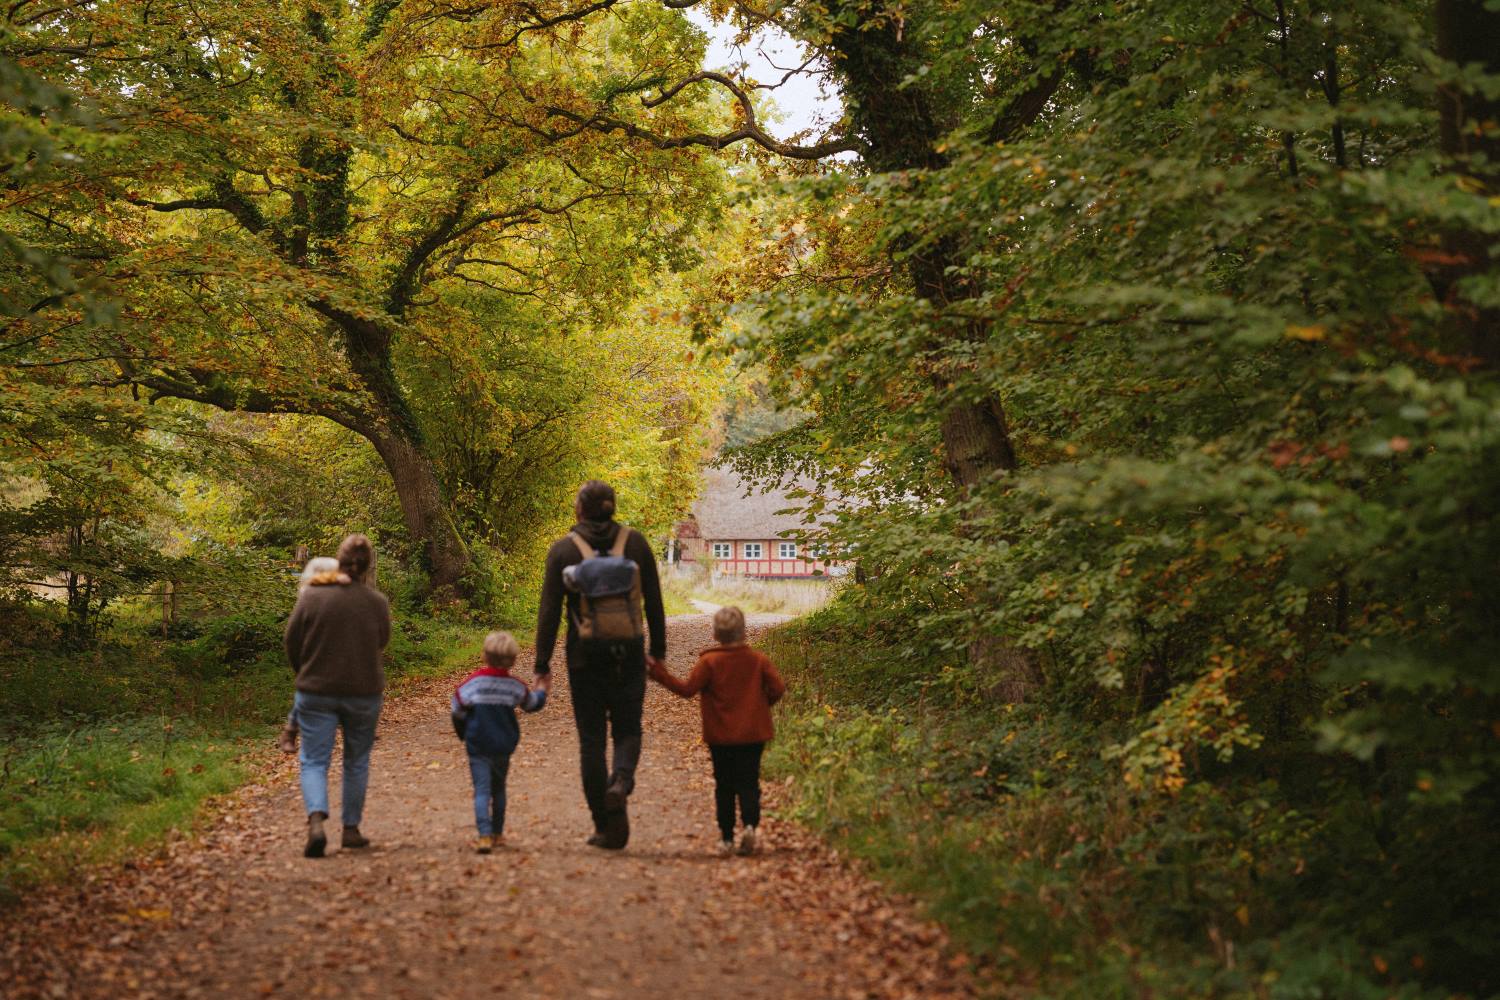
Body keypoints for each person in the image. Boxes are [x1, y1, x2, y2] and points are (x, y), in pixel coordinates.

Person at [535, 480, 667, 849]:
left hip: (584, 656)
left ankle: (604, 825)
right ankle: (621, 780)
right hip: (629, 652)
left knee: (591, 741)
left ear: (579, 509)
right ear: (612, 507)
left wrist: (542, 663)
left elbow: (549, 611)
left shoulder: (564, 550)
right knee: (628, 729)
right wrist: (658, 651)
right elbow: (654, 601)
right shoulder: (635, 543)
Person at [282, 534, 390, 858]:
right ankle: (351, 830)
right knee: (356, 761)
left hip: (317, 691)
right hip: (364, 692)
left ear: (339, 561)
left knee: (314, 760)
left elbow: (291, 640)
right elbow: (382, 641)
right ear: (367, 567)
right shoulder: (376, 602)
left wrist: (304, 671)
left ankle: (316, 821)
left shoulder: (312, 597)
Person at [647, 605, 786, 856]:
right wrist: (759, 707)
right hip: (753, 734)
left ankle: (727, 838)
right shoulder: (758, 660)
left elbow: (687, 689)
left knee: (724, 785)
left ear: (715, 634)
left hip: (721, 735)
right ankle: (750, 826)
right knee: (749, 781)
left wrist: (659, 674)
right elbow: (777, 688)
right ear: (743, 631)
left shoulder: (709, 662)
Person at [450, 631, 547, 853]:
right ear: (513, 660)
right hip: (503, 745)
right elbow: (532, 704)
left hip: (478, 744)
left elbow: (457, 706)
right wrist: (542, 691)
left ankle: (484, 835)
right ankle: (497, 833)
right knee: (499, 789)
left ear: (484, 655)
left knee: (482, 790)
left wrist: (464, 729)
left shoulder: (474, 683)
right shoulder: (514, 686)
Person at [277, 556, 345, 755]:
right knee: (307, 691)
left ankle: (352, 726)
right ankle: (291, 731)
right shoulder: (308, 597)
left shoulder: (340, 596)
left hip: (335, 652)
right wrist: (300, 664)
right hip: (313, 653)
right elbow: (294, 636)